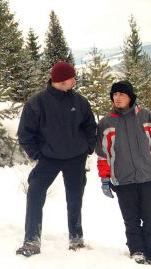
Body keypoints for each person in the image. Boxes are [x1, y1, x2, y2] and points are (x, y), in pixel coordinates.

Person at [16, 61, 96, 256]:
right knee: (34, 193)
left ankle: (76, 238)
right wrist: (37, 155)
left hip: (75, 158)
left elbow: (89, 126)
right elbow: (25, 134)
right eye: (72, 78)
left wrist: (88, 148)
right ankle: (31, 240)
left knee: (75, 198)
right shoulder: (36, 103)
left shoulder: (79, 101)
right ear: (61, 80)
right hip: (48, 159)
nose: (75, 80)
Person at [95, 80, 151, 269]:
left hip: (145, 176)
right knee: (131, 219)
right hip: (122, 179)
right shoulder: (106, 123)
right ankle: (137, 250)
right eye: (115, 95)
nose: (117, 98)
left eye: (122, 95)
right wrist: (104, 177)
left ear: (130, 97)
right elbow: (103, 154)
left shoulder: (145, 116)